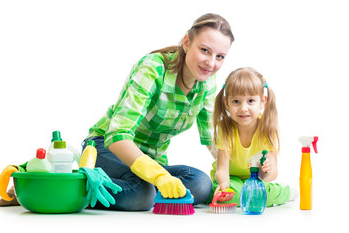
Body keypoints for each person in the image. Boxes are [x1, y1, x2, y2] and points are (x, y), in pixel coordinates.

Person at [82, 13, 235, 211]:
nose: (211, 63)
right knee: (142, 193)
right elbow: (117, 136)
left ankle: (143, 189)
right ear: (187, 42)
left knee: (201, 184)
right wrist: (159, 176)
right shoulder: (153, 68)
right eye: (205, 50)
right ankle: (81, 183)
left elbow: (214, 139)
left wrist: (239, 170)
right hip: (106, 148)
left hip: (151, 162)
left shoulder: (206, 83)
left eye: (220, 57)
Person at [207, 67, 296, 206]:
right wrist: (224, 185)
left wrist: (266, 171)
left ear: (262, 101)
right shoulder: (225, 128)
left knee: (262, 194)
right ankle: (246, 195)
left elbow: (270, 175)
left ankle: (284, 192)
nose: (243, 108)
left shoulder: (267, 128)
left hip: (255, 179)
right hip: (231, 178)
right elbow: (222, 168)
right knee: (226, 194)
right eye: (236, 101)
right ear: (226, 103)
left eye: (250, 101)